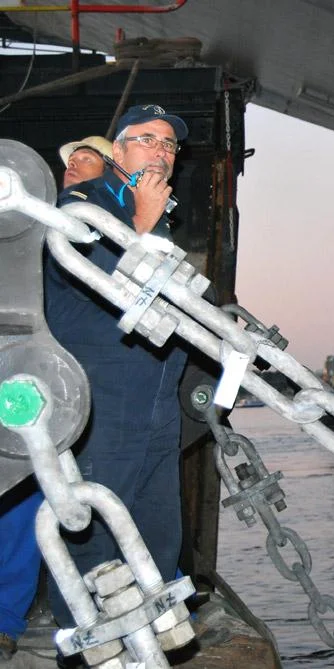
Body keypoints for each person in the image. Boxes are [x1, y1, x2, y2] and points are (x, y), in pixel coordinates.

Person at [43, 104, 189, 631]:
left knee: (157, 521)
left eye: (169, 144)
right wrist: (145, 226)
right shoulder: (83, 205)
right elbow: (113, 287)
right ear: (119, 152)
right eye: (147, 139)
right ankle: (85, 636)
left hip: (155, 394)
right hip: (102, 394)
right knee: (95, 527)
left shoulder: (158, 214)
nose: (161, 150)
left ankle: (155, 625)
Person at [0, 134, 115, 662]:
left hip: (50, 390)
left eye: (88, 161)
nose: (73, 169)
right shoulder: (30, 223)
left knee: (26, 506)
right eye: (69, 161)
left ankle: (3, 618)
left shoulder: (93, 232)